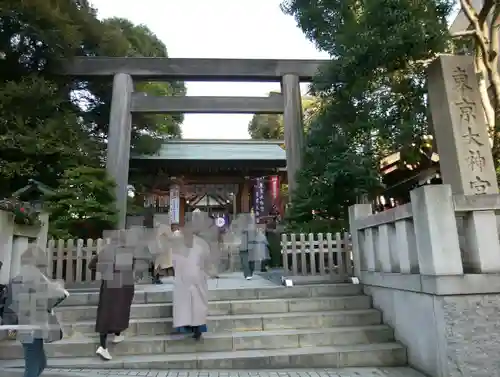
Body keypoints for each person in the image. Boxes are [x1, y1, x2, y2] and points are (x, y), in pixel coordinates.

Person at [7, 246, 66, 377]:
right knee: (33, 366)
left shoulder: (23, 279)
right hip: (31, 327)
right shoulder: (32, 280)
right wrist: (58, 292)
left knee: (40, 362)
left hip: (32, 326)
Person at [88, 230, 137, 361]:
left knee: (106, 313)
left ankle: (104, 345)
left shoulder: (106, 251)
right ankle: (115, 336)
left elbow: (91, 265)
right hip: (124, 286)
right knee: (121, 310)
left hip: (109, 286)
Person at [172, 214, 211, 341]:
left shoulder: (184, 243)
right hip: (191, 276)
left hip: (190, 276)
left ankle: (193, 328)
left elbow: (174, 260)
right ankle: (194, 328)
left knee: (191, 304)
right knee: (193, 304)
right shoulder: (198, 243)